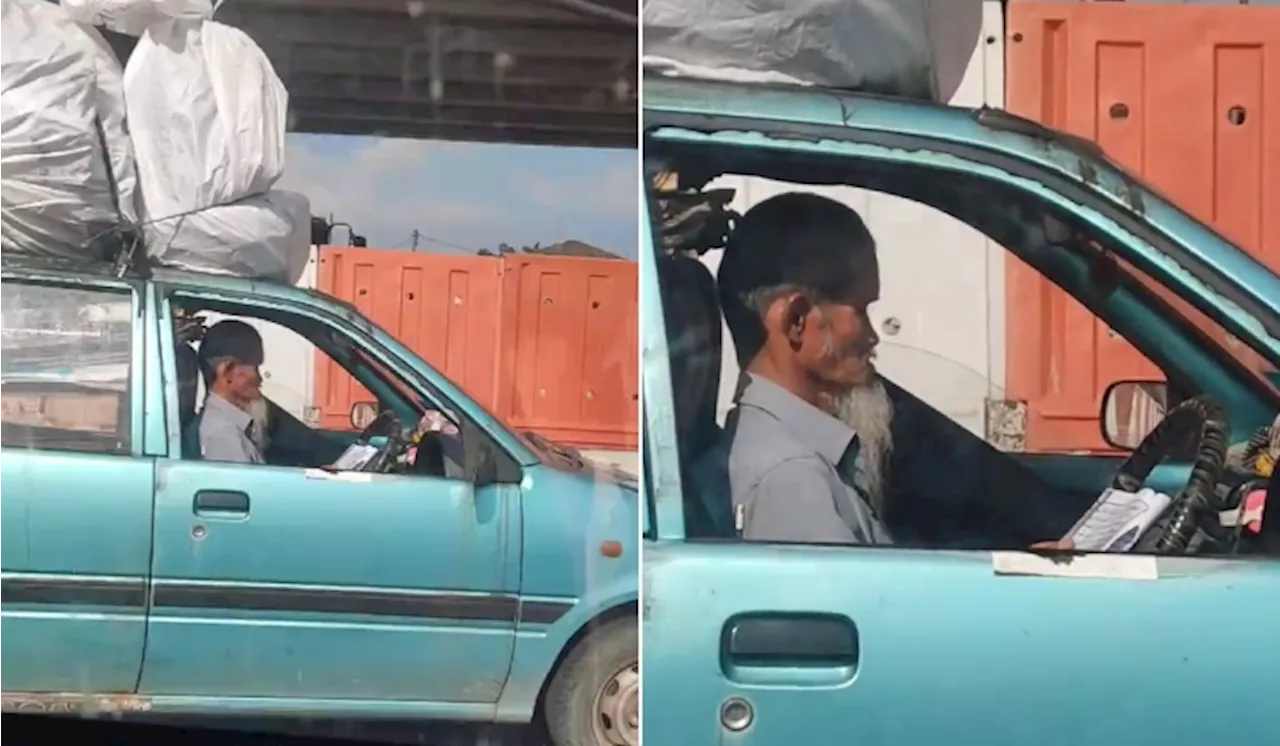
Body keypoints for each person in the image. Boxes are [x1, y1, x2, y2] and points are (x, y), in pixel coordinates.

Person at [712, 192, 1071, 550]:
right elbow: (864, 606)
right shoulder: (792, 479)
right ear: (797, 321)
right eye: (860, 310)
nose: (872, 336)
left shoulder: (797, 453)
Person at [197, 319, 269, 464]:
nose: (260, 378)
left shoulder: (233, 427)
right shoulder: (224, 436)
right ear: (225, 370)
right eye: (254, 368)